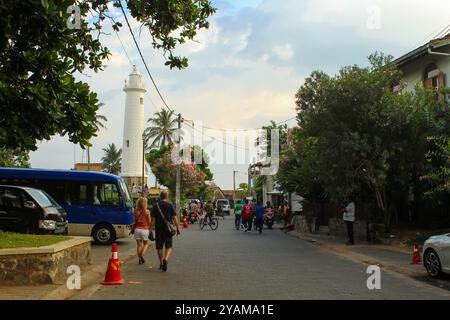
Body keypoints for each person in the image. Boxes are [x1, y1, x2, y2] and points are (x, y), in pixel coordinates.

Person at [150, 191, 181, 272]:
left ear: (160, 196)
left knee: (159, 247)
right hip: (168, 230)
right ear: (166, 196)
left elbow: (152, 219)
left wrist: (150, 229)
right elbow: (174, 218)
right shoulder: (170, 205)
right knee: (169, 247)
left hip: (158, 230)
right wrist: (178, 228)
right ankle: (166, 259)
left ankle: (161, 263)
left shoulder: (156, 206)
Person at [134, 197, 151, 264]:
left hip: (137, 229)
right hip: (144, 230)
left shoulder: (136, 211)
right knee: (146, 244)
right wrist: (150, 229)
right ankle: (141, 255)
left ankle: (140, 259)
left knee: (139, 245)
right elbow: (149, 222)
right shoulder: (147, 211)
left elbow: (134, 220)